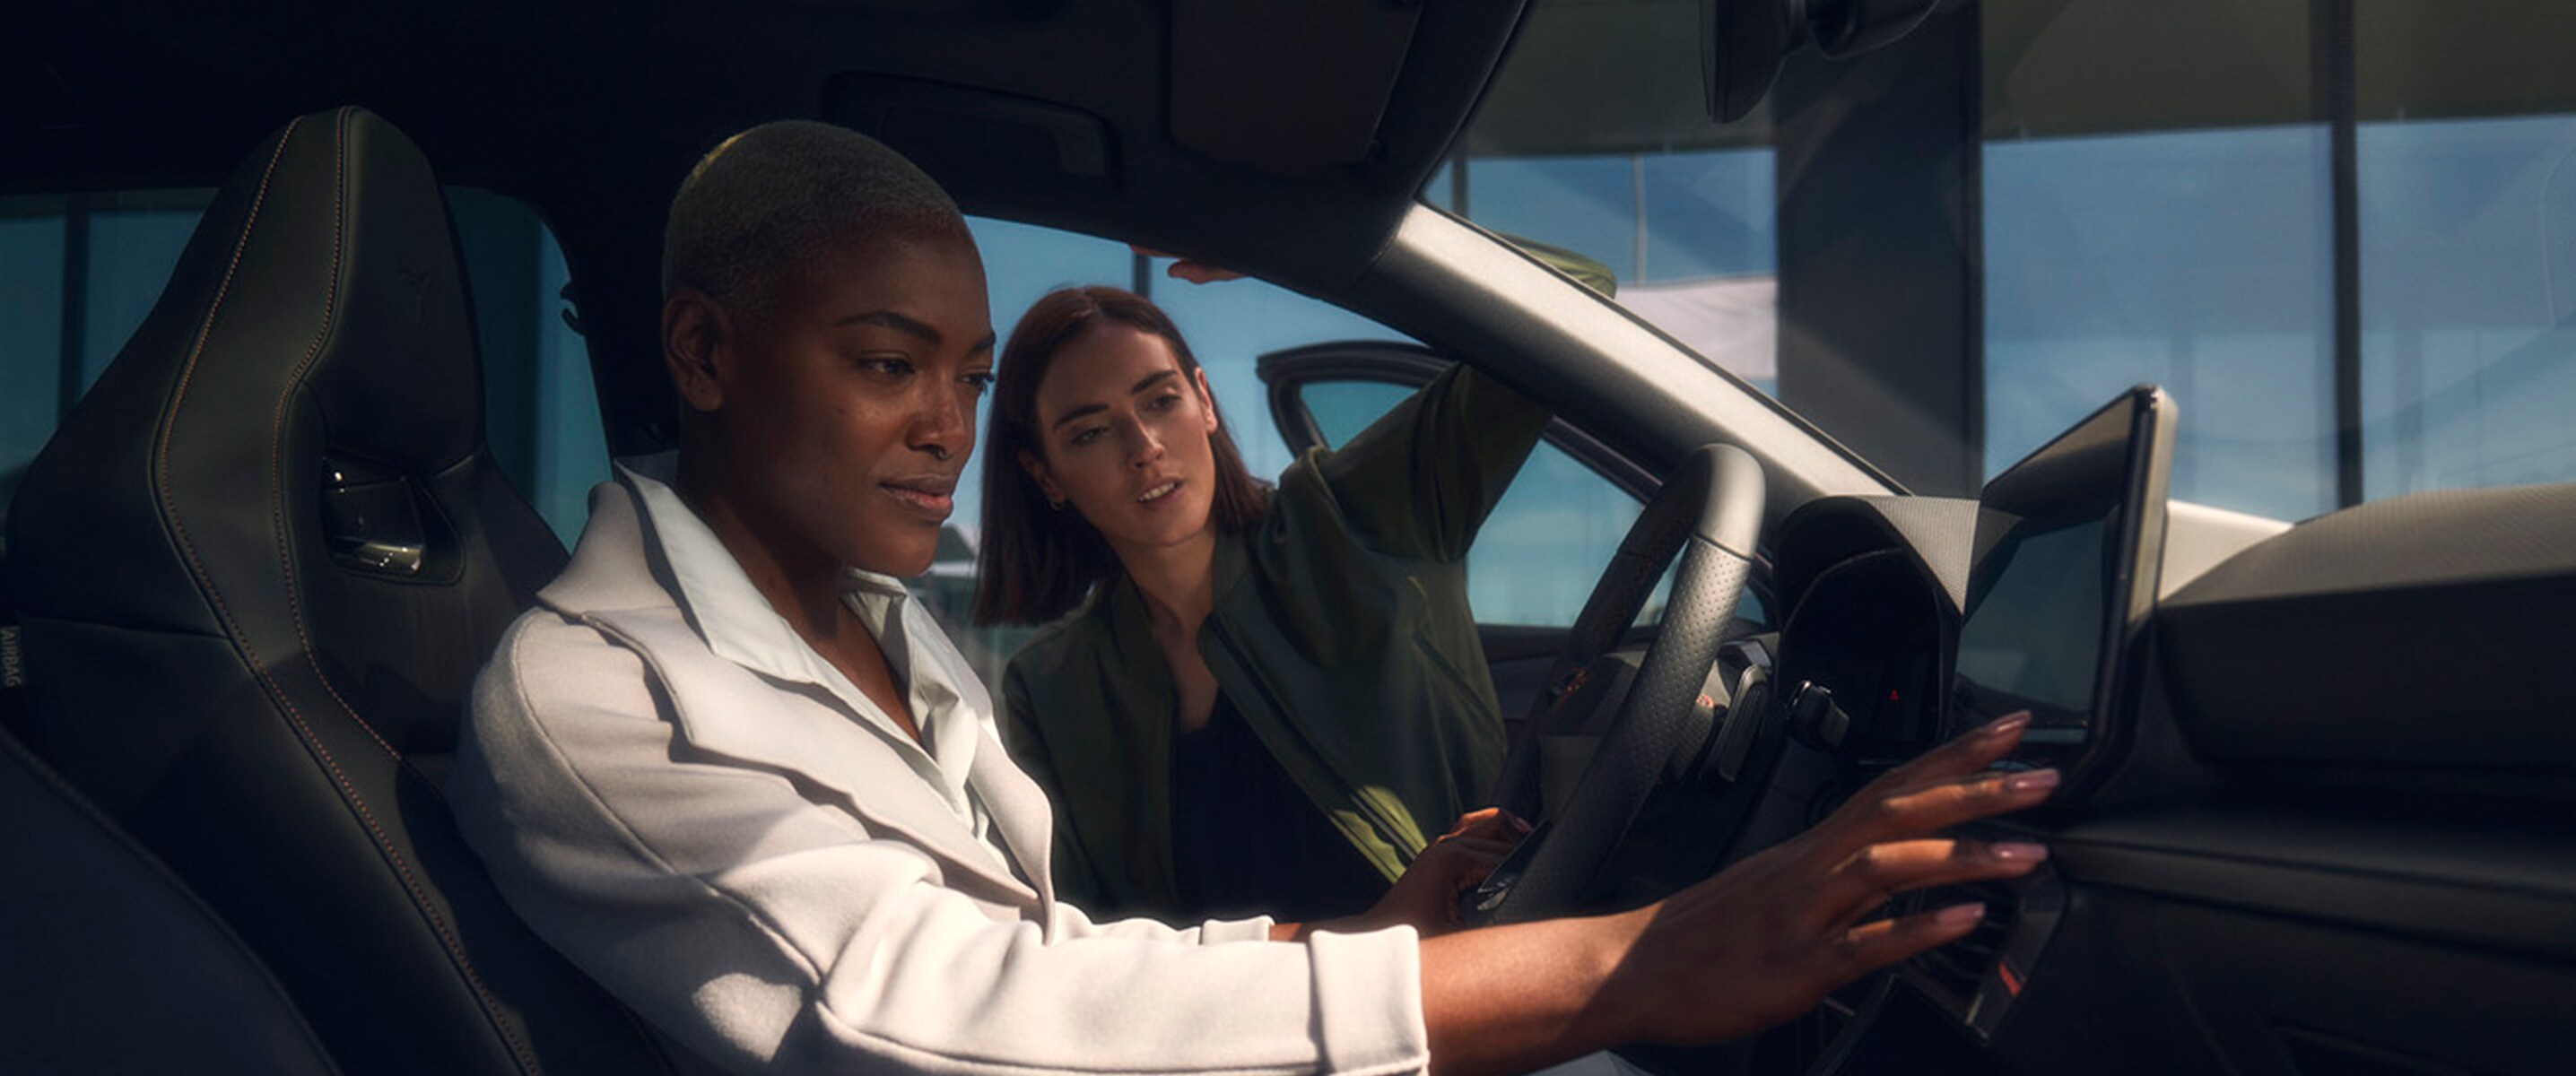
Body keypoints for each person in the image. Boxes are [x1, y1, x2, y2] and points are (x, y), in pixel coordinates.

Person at [448, 118, 2060, 1076]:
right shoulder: (605, 691)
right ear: (706, 356)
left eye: (965, 374)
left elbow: (1053, 947)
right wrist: (1617, 964)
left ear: (1207, 410)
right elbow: (991, 1000)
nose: (939, 422)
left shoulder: (910, 635)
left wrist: (1360, 929)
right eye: (888, 368)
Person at [971, 285, 1545, 924]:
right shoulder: (1051, 689)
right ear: (1044, 473)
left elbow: (1566, 299)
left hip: (1468, 981)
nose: (1144, 447)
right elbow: (1080, 944)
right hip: (1230, 1021)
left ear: (1204, 400)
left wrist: (1317, 224)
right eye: (1091, 433)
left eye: (1161, 401)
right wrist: (1366, 935)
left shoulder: (1351, 521)